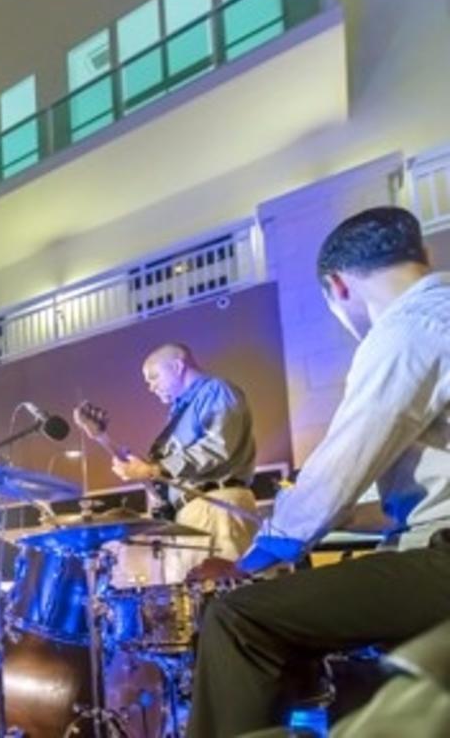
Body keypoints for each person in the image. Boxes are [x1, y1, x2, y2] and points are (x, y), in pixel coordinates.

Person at [186, 206, 450, 737]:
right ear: (420, 256)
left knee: (239, 618)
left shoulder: (408, 328)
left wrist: (252, 561)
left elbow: (332, 477)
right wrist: (347, 516)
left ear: (337, 286)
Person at [74, 342, 260, 579]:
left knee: (221, 597)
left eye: (154, 377)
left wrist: (155, 468)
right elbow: (156, 478)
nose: (151, 387)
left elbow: (217, 447)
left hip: (216, 505)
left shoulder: (215, 390)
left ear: (177, 366)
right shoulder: (179, 413)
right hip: (192, 512)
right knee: (195, 605)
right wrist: (101, 437)